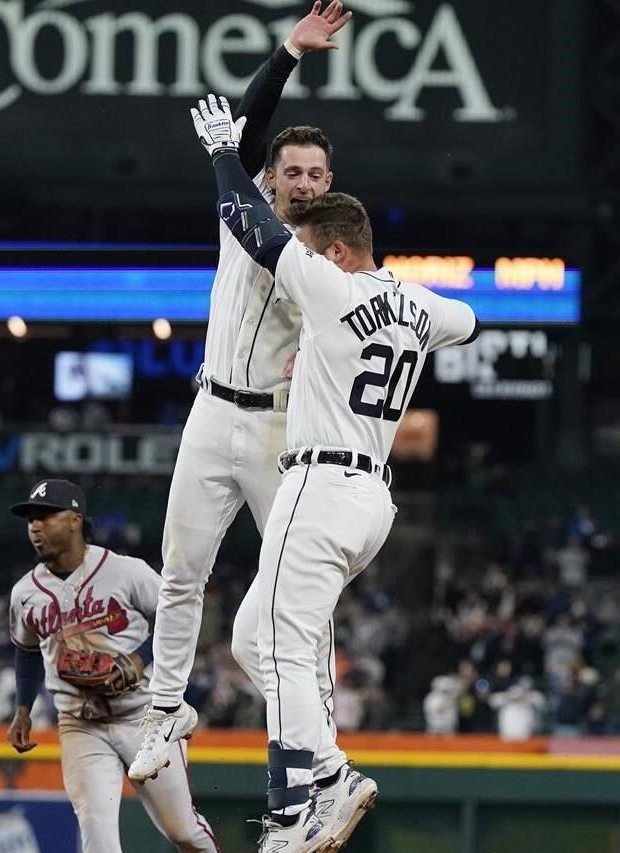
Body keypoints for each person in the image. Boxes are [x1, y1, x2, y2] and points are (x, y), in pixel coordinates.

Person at [189, 96, 480, 851]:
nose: (304, 255)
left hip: (318, 485)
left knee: (285, 642)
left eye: (314, 247)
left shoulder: (329, 282)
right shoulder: (415, 303)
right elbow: (467, 321)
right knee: (254, 638)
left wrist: (224, 152)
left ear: (340, 251)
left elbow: (251, 227)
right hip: (372, 500)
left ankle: (294, 808)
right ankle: (326, 768)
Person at [130, 8, 372, 842]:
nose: (304, 182)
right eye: (293, 170)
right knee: (179, 572)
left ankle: (318, 772)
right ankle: (165, 712)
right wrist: (287, 55)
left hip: (278, 434)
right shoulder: (243, 217)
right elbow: (244, 129)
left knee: (297, 613)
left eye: (316, 173)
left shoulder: (327, 257)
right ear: (270, 176)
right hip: (211, 410)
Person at [6, 480, 218, 853]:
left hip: (143, 717)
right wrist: (23, 709)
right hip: (79, 724)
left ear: (74, 520)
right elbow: (25, 650)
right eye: (30, 520)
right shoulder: (25, 593)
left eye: (45, 517)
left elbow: (180, 617)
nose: (35, 527)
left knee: (183, 832)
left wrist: (141, 658)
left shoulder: (125, 571)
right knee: (97, 834)